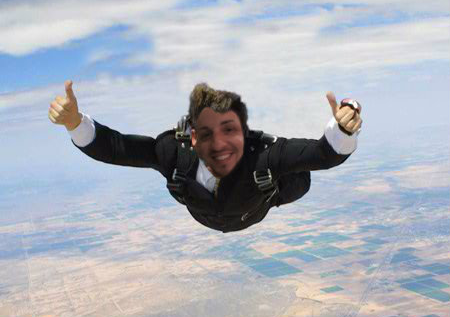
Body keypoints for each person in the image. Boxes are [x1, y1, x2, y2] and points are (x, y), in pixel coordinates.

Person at [48, 81, 362, 233]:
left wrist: (343, 129)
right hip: (205, 213)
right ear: (193, 137)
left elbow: (324, 155)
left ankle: (281, 186)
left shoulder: (263, 155)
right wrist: (75, 122)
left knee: (300, 177)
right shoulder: (173, 152)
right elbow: (116, 148)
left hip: (256, 206)